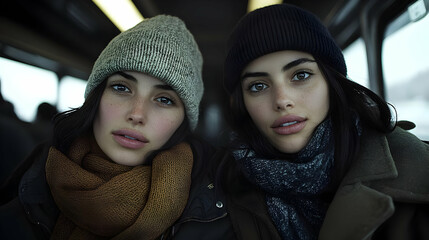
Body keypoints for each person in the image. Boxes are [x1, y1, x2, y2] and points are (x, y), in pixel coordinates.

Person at [0, 15, 234, 239]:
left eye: (164, 99)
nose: (136, 114)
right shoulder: (28, 191)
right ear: (96, 97)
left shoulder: (222, 221)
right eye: (121, 88)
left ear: (183, 121)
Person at [221, 4, 429, 240]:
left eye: (301, 75)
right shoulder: (218, 192)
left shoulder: (418, 167)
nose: (282, 100)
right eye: (258, 86)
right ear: (243, 103)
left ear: (331, 82)